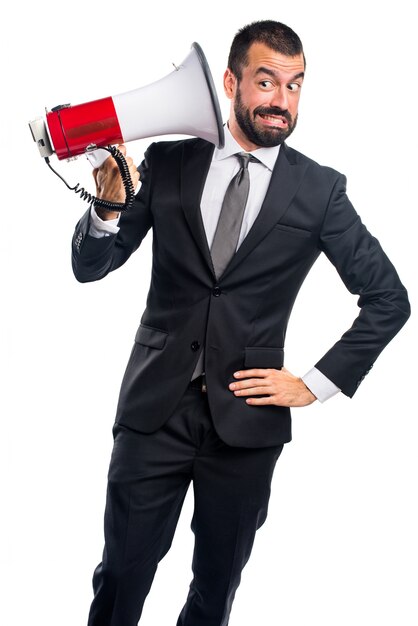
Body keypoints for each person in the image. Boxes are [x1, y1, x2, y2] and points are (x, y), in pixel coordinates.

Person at [72, 20, 410, 626]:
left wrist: (312, 383)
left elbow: (389, 298)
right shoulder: (169, 162)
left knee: (214, 593)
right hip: (154, 411)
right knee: (121, 576)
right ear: (231, 82)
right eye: (266, 81)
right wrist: (107, 203)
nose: (281, 100)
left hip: (248, 425)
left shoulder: (320, 191)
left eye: (295, 85)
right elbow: (91, 266)